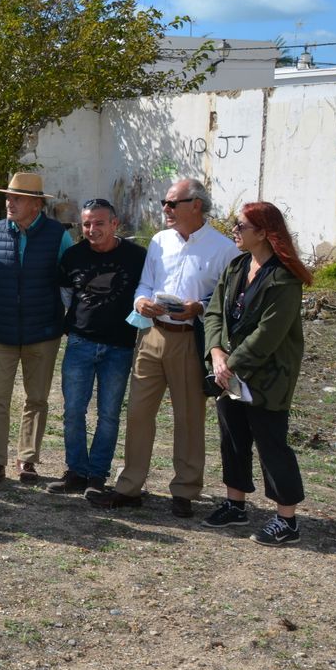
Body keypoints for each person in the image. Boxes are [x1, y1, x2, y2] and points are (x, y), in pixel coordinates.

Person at [90, 178, 240, 517]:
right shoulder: (159, 241)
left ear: (196, 205)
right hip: (151, 335)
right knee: (139, 413)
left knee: (189, 416)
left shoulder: (223, 248)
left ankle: (185, 489)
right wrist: (141, 300)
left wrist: (198, 308)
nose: (165, 209)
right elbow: (146, 282)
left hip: (190, 338)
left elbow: (225, 299)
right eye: (164, 203)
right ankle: (130, 486)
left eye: (172, 203)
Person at [202, 202, 313, 546]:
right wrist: (217, 353)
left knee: (271, 442)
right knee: (232, 437)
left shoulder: (284, 278)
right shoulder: (236, 266)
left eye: (240, 226)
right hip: (228, 372)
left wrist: (230, 363)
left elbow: (269, 334)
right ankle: (235, 504)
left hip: (268, 375)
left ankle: (287, 519)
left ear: (264, 232)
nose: (234, 231)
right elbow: (214, 312)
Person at [0, 172, 73, 487]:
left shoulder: (58, 236)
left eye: (17, 198)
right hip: (0, 330)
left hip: (42, 332)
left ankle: (27, 460)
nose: (9, 202)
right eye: (8, 197)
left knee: (37, 399)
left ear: (35, 204)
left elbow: (67, 280)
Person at [50, 198, 147, 494]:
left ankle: (97, 475)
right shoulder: (73, 256)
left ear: (115, 224)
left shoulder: (137, 257)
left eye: (99, 223)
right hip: (80, 342)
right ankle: (76, 472)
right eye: (87, 224)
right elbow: (66, 294)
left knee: (108, 414)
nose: (92, 229)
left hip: (120, 346)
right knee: (73, 411)